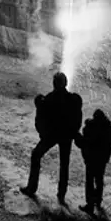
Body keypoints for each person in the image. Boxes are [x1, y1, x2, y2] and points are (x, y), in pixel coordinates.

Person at [20, 72, 83, 205]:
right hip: (66, 136)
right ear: (65, 83)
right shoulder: (73, 100)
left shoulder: (49, 99)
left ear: (54, 83)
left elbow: (41, 119)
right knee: (64, 165)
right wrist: (73, 133)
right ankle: (61, 194)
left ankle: (32, 187)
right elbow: (77, 119)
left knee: (36, 154)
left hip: (52, 135)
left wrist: (44, 134)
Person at [75, 109, 111, 215]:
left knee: (89, 181)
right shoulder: (109, 130)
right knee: (99, 180)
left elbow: (84, 143)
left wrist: (78, 137)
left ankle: (90, 205)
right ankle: (98, 201)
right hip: (102, 160)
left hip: (91, 159)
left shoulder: (91, 129)